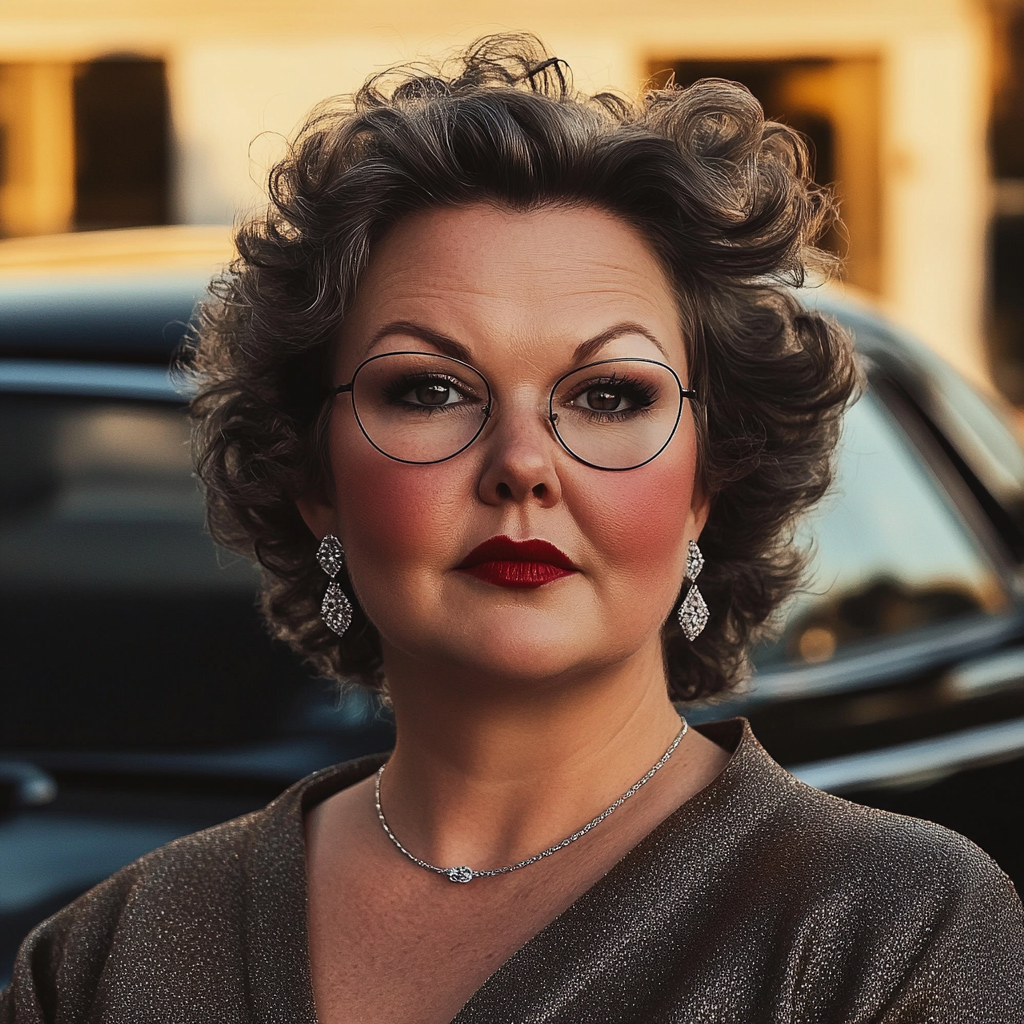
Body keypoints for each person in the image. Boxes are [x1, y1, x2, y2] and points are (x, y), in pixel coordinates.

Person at [3, 34, 1022, 1024]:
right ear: (310, 474)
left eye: (610, 396)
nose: (523, 464)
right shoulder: (112, 954)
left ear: (709, 479)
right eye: (433, 389)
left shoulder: (891, 933)